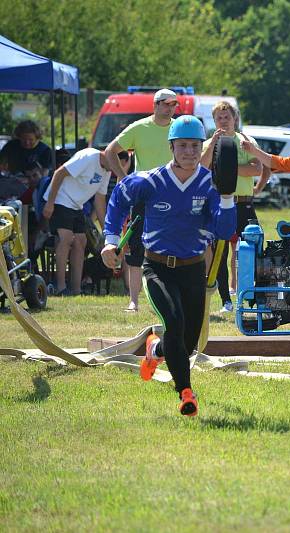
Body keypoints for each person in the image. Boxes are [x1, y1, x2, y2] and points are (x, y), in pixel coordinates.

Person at [101, 116, 236, 417]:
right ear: (172, 146)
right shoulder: (150, 180)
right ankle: (186, 393)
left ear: (204, 148)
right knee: (173, 322)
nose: (189, 151)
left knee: (186, 343)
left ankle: (155, 350)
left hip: (192, 271)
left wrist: (227, 198)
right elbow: (118, 199)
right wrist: (111, 240)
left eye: (195, 145)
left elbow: (225, 231)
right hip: (156, 267)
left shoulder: (211, 186)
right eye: (183, 145)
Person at [104, 88, 180, 312]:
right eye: (165, 104)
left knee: (173, 248)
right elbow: (110, 151)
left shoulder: (178, 128)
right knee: (136, 247)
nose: (169, 108)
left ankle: (171, 298)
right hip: (144, 196)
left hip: (174, 195)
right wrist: (123, 178)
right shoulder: (139, 128)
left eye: (173, 104)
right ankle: (133, 301)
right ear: (155, 105)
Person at [200, 101, 264, 313]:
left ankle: (253, 295)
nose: (223, 121)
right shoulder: (209, 142)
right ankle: (226, 300)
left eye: (227, 117)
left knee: (252, 251)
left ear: (235, 119)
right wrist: (213, 146)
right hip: (219, 204)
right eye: (219, 118)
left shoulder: (246, 141)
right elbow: (201, 167)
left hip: (243, 203)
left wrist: (228, 166)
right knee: (219, 252)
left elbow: (256, 169)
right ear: (214, 120)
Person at [41, 148, 127, 295]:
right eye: (119, 165)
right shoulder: (88, 157)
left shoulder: (106, 171)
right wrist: (50, 202)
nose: (118, 169)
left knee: (81, 241)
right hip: (60, 199)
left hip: (76, 206)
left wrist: (109, 231)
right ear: (111, 156)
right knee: (66, 239)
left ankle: (76, 289)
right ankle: (60, 288)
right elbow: (59, 173)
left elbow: (100, 202)